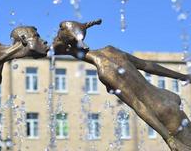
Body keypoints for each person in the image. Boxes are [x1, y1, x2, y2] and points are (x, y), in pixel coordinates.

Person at [53, 19, 191, 151]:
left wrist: (169, 140)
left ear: (69, 47)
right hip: (166, 98)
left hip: (162, 113)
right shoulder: (111, 50)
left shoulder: (104, 72)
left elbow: (137, 104)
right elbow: (148, 65)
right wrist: (183, 76)